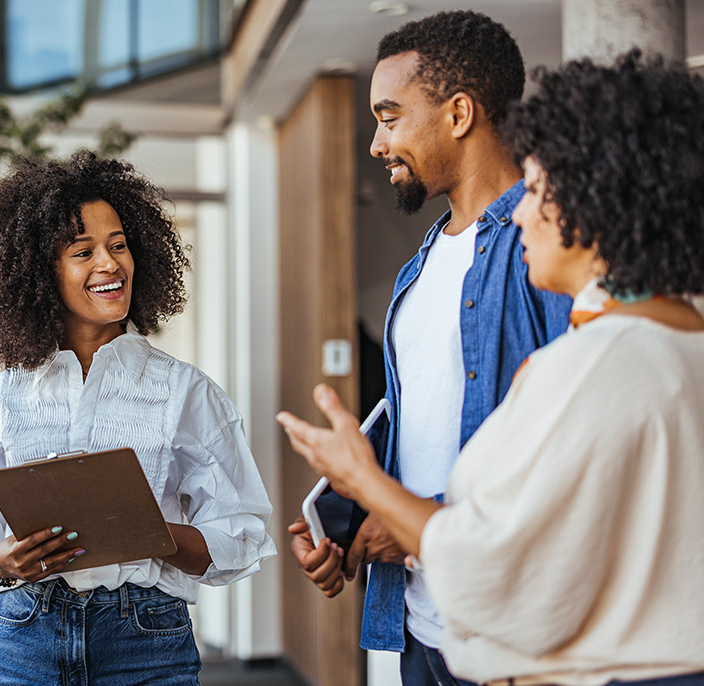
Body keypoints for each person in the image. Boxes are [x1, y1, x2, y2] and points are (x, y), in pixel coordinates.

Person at [279, 51, 704, 685]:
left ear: (597, 207)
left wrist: (363, 478)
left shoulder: (592, 363)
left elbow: (500, 566)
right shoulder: (698, 350)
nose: (521, 211)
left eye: (538, 190)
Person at [286, 11, 571, 684]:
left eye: (390, 117)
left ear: (460, 113)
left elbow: (576, 440)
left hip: (508, 627)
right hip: (416, 620)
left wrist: (426, 519)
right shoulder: (419, 267)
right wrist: (348, 517)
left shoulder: (548, 247)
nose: (378, 144)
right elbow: (424, 424)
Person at [0, 150, 275, 685]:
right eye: (83, 251)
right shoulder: (5, 396)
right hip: (24, 636)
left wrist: (151, 533)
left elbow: (242, 533)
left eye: (118, 246)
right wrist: (1, 562)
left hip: (145, 640)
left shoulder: (186, 391)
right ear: (43, 273)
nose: (109, 264)